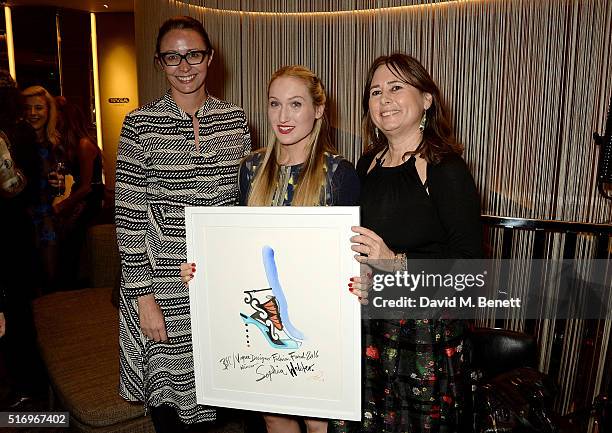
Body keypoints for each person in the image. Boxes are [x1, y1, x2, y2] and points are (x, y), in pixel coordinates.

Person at [181, 65, 360, 433]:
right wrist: (205, 268)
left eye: (296, 104)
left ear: (319, 109)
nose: (283, 116)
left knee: (318, 417)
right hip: (264, 313)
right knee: (272, 413)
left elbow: (351, 258)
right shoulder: (251, 169)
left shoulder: (340, 174)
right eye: (275, 104)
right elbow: (240, 248)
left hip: (318, 317)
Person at [115, 16, 251, 433]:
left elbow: (243, 208)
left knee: (227, 397)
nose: (184, 65)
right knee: (170, 407)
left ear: (209, 58)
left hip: (218, 284)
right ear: (160, 62)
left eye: (193, 54)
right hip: (161, 283)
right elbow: (129, 217)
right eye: (172, 57)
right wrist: (143, 297)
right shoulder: (140, 124)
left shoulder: (236, 121)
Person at [348, 54, 482, 432]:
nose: (384, 99)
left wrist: (394, 262)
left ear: (426, 99)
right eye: (375, 91)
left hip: (426, 333)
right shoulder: (366, 165)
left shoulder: (446, 168)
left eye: (396, 87)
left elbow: (471, 264)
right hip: (373, 327)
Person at [0, 70, 48, 408]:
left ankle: (28, 390)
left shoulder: (14, 134)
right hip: (14, 233)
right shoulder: (18, 132)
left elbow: (17, 188)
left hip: (9, 237)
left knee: (15, 316)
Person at [55, 101, 104, 288]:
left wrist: (62, 205)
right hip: (85, 196)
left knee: (71, 241)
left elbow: (86, 187)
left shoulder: (84, 144)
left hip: (89, 199)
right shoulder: (76, 143)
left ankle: (69, 285)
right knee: (69, 241)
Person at [21, 85, 63, 292]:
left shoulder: (54, 143)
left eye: (38, 108)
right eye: (28, 108)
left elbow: (65, 183)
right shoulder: (15, 142)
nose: (32, 114)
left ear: (48, 111)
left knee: (50, 281)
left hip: (48, 217)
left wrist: (60, 184)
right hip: (22, 220)